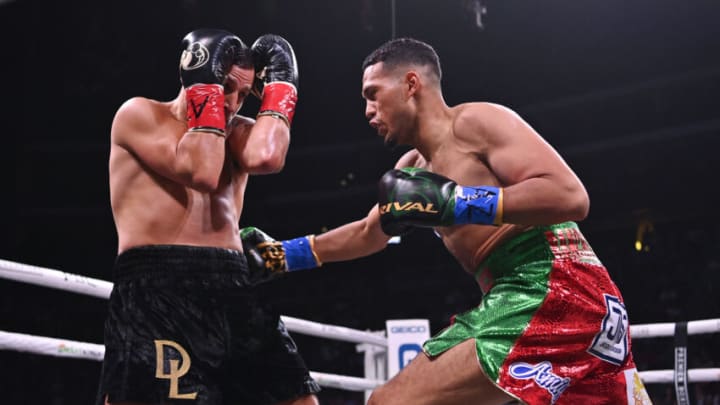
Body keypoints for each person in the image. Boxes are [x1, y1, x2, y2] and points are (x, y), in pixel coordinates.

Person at [241, 38, 653, 404]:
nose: (367, 111)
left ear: (411, 84)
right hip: (549, 297)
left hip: (550, 283)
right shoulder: (412, 169)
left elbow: (570, 196)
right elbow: (370, 233)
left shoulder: (476, 122)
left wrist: (457, 202)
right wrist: (281, 256)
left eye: (373, 94)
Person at [97, 28, 320, 405]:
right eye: (226, 87)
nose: (233, 103)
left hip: (232, 284)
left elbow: (268, 157)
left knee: (299, 400)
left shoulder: (237, 133)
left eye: (245, 94)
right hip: (159, 286)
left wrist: (282, 87)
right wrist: (207, 91)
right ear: (197, 77)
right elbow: (200, 170)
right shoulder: (139, 115)